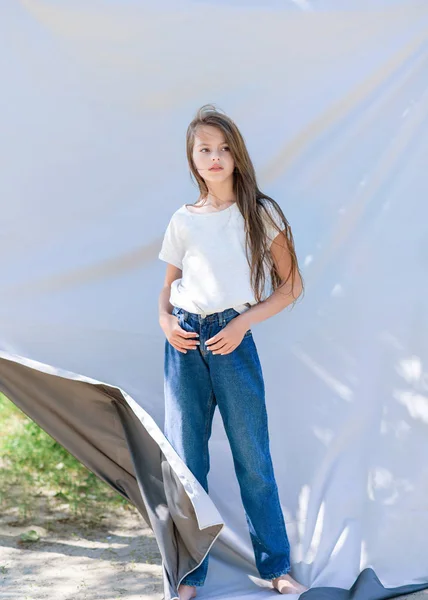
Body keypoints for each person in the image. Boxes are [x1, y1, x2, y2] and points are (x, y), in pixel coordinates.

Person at [158, 104, 308, 599]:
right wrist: (165, 321)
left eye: (224, 149)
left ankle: (277, 567)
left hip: (232, 340)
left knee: (253, 460)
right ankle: (187, 574)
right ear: (193, 159)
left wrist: (243, 322)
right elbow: (170, 287)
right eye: (205, 150)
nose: (216, 157)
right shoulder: (183, 219)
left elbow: (291, 286)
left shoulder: (258, 213)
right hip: (184, 343)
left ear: (237, 156)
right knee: (187, 465)